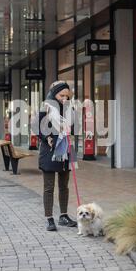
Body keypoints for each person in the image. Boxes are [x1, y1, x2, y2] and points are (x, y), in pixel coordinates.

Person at [38, 81, 77, 231]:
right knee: (49, 187)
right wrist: (47, 137)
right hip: (49, 151)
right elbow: (38, 128)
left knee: (64, 186)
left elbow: (74, 125)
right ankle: (49, 219)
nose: (64, 98)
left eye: (67, 96)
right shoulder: (46, 107)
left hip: (66, 149)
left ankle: (64, 216)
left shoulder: (69, 108)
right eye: (62, 95)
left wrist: (70, 129)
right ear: (54, 94)